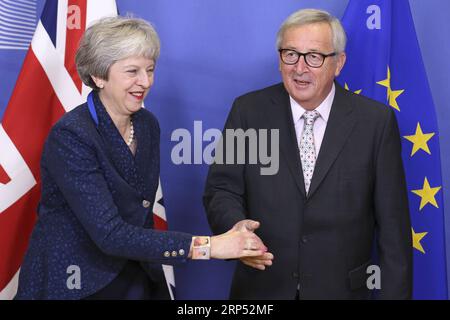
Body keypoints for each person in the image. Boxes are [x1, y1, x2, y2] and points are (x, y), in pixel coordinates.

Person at [15, 16, 269, 300]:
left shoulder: (147, 124)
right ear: (99, 76)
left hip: (135, 271)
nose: (145, 81)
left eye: (150, 69)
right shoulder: (71, 136)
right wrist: (210, 246)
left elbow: (140, 213)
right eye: (132, 71)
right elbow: (110, 234)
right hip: (76, 283)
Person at [203, 8, 412, 299]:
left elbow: (394, 232)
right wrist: (236, 229)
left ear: (338, 63)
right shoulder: (248, 111)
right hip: (262, 289)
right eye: (290, 54)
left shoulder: (375, 123)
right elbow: (221, 189)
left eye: (314, 57)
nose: (299, 68)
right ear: (279, 59)